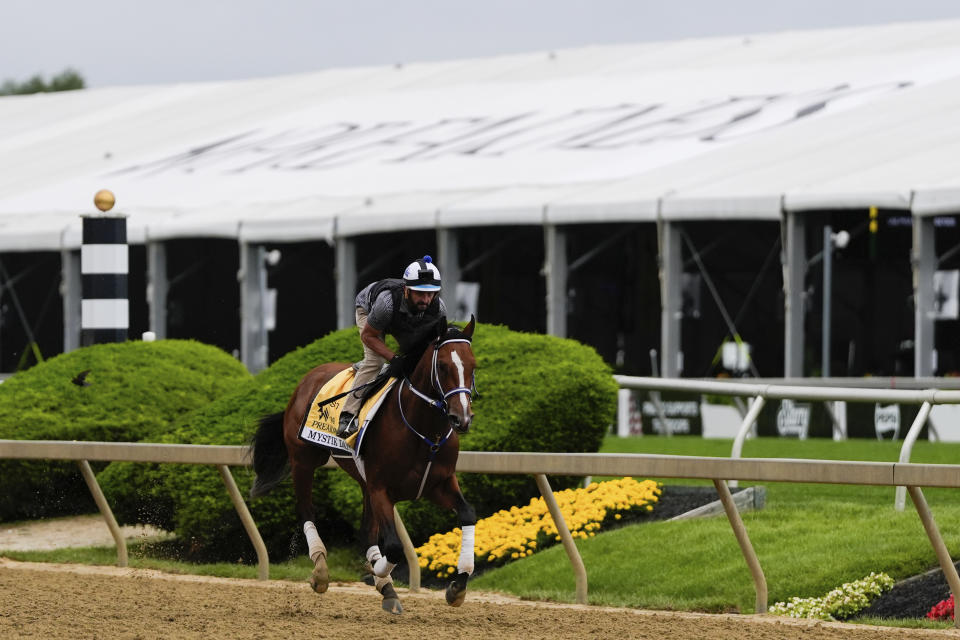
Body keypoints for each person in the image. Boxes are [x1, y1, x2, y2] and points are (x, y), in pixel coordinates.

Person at [337, 255, 446, 438]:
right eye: (420, 293)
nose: (426, 300)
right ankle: (348, 415)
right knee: (376, 360)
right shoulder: (386, 304)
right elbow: (368, 336)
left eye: (430, 294)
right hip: (369, 309)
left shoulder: (439, 308)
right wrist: (394, 359)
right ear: (406, 290)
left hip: (401, 318)